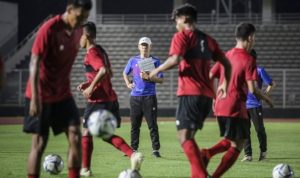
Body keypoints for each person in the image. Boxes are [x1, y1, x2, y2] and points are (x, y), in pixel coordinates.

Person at [150, 4, 231, 178]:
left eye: (176, 21)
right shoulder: (209, 40)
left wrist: (156, 71)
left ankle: (201, 175)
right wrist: (225, 83)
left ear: (184, 19)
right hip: (207, 97)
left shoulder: (182, 36)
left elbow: (176, 59)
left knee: (184, 137)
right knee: (190, 137)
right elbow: (227, 63)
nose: (175, 25)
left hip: (190, 93)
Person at [23, 1, 92, 178]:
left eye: (85, 17)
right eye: (79, 16)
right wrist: (35, 99)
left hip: (62, 94)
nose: (81, 20)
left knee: (76, 136)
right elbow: (34, 62)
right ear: (69, 10)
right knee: (39, 143)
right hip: (41, 94)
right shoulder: (49, 29)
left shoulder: (78, 31)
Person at [203, 23, 274, 178]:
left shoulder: (225, 55)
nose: (254, 40)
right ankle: (208, 157)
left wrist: (215, 97)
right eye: (254, 37)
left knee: (232, 140)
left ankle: (207, 154)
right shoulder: (249, 59)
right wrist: (267, 99)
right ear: (249, 37)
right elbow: (252, 89)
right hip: (236, 105)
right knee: (238, 144)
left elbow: (209, 76)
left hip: (221, 105)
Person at [77, 22, 144, 177]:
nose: (79, 39)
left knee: (86, 132)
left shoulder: (92, 53)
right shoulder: (101, 51)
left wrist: (90, 87)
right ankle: (133, 155)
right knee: (104, 134)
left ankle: (85, 169)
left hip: (98, 101)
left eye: (80, 35)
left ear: (86, 35)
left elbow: (102, 70)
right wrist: (88, 83)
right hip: (110, 99)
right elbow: (109, 73)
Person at [123, 37, 164, 158]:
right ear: (138, 46)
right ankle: (133, 149)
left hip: (149, 97)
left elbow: (161, 79)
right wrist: (128, 83)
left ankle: (155, 150)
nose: (144, 47)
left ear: (150, 47)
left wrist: (149, 77)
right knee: (135, 125)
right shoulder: (133, 60)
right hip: (135, 97)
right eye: (142, 45)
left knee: (152, 125)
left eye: (146, 45)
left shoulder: (155, 61)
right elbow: (125, 73)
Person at [241, 49, 276, 162]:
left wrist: (265, 94)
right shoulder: (242, 71)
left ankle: (263, 153)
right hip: (243, 105)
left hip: (255, 105)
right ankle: (248, 155)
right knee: (245, 130)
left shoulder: (260, 71)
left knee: (259, 129)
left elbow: (272, 83)